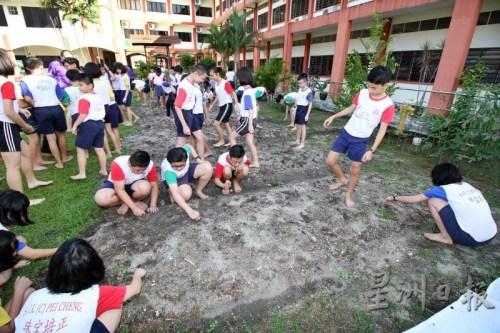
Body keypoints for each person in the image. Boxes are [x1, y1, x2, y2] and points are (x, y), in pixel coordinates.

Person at [14, 239, 146, 333]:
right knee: (115, 304)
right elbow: (134, 289)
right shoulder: (98, 293)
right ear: (95, 269)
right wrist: (138, 275)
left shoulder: (35, 295)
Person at [323, 65, 395, 208]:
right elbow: (352, 108)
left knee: (355, 170)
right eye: (369, 86)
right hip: (346, 133)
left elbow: (382, 130)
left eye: (374, 88)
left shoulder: (388, 105)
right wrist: (334, 116)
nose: (370, 90)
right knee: (330, 161)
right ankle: (342, 180)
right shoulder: (362, 93)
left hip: (360, 140)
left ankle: (348, 194)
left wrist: (372, 150)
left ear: (386, 85)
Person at [385, 163, 497, 246]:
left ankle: (445, 237)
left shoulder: (443, 190)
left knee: (433, 201)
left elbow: (413, 199)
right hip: (491, 234)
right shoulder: (467, 186)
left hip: (471, 238)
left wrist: (395, 197)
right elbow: (479, 194)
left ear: (437, 177)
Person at [0, 52, 51, 204]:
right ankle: (19, 201)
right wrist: (26, 126)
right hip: (6, 125)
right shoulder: (6, 83)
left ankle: (32, 181)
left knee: (26, 152)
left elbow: (7, 107)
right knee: (13, 165)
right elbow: (8, 111)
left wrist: (19, 110)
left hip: (6, 124)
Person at [20, 57, 71, 169]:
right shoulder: (51, 79)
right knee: (61, 135)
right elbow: (62, 96)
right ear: (41, 66)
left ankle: (59, 162)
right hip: (56, 108)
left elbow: (27, 99)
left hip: (40, 110)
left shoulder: (25, 81)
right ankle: (64, 157)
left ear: (28, 68)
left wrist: (36, 104)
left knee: (50, 138)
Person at [94, 150, 159, 217]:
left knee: (145, 188)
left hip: (134, 184)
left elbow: (154, 186)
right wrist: (134, 208)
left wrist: (153, 205)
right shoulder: (118, 163)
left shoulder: (150, 165)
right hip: (115, 184)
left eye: (143, 170)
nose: (139, 172)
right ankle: (131, 202)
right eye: (137, 170)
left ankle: (129, 202)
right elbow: (119, 189)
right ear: (129, 163)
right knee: (101, 199)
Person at [70, 73, 107, 180]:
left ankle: (82, 173)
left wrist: (75, 125)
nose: (79, 88)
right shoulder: (98, 97)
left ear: (90, 85)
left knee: (80, 149)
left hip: (88, 125)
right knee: (99, 149)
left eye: (81, 85)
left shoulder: (84, 98)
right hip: (100, 124)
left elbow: (83, 114)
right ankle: (104, 170)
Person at [161, 145, 212, 221]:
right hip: (174, 179)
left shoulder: (184, 153)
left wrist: (197, 158)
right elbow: (176, 193)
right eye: (175, 166)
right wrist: (190, 211)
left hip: (186, 172)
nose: (178, 168)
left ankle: (198, 191)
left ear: (185, 159)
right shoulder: (169, 171)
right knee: (185, 194)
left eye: (181, 165)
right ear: (169, 162)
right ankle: (171, 193)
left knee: (208, 167)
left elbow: (189, 146)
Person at [84, 62, 122, 155]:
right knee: (110, 130)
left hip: (99, 109)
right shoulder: (105, 81)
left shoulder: (90, 85)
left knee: (103, 132)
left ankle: (108, 153)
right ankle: (118, 149)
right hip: (108, 106)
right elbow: (111, 96)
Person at [229, 67, 259, 168]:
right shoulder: (250, 90)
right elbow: (252, 108)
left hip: (248, 121)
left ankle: (236, 160)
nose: (237, 80)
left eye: (238, 78)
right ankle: (255, 162)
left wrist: (249, 124)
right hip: (251, 119)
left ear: (242, 78)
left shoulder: (247, 93)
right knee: (250, 142)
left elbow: (250, 109)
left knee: (232, 136)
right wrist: (241, 116)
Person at [173, 65, 208, 147]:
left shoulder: (193, 84)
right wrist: (184, 125)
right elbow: (177, 106)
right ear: (195, 74)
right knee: (181, 142)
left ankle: (193, 157)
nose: (202, 81)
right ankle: (175, 159)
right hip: (183, 113)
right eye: (202, 78)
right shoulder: (184, 86)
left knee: (195, 138)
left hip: (189, 113)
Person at [208, 67, 240, 147]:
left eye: (212, 75)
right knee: (226, 124)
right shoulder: (216, 84)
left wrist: (236, 104)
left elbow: (233, 93)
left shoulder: (225, 83)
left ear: (217, 74)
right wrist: (212, 104)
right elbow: (218, 96)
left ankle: (221, 140)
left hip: (227, 106)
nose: (211, 77)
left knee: (216, 124)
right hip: (222, 106)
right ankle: (231, 140)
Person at [290, 74, 313, 150]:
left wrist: (307, 115)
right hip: (299, 108)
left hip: (304, 110)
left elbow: (310, 104)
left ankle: (302, 143)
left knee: (303, 128)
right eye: (298, 83)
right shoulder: (300, 89)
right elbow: (298, 97)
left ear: (305, 82)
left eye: (300, 83)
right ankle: (297, 141)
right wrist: (295, 107)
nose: (299, 85)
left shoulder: (309, 92)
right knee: (298, 126)